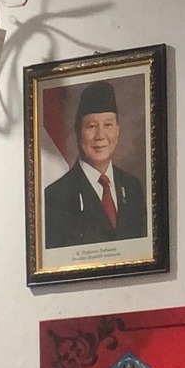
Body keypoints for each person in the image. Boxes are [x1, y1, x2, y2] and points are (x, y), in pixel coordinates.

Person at [42, 80, 148, 249]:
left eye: (108, 125)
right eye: (91, 126)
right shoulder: (56, 196)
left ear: (118, 129)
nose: (100, 136)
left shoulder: (132, 187)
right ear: (78, 131)